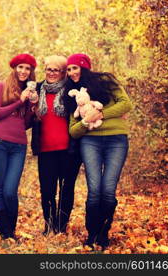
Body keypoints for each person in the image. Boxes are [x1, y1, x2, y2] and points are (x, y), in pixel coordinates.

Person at [65, 53, 133, 249]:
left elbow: (126, 104)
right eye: (68, 70)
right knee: (94, 191)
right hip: (91, 142)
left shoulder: (105, 81)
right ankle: (92, 233)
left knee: (108, 191)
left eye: (74, 68)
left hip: (116, 140)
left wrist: (101, 113)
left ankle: (103, 233)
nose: (71, 73)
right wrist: (86, 121)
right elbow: (73, 131)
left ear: (84, 68)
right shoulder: (74, 95)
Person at [0, 53, 38, 240]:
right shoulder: (1, 86)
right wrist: (20, 101)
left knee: (10, 191)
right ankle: (5, 234)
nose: (23, 71)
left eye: (27, 68)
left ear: (31, 72)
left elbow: (23, 124)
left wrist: (33, 107)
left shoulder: (30, 92)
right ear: (15, 68)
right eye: (20, 67)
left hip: (19, 146)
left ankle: (11, 231)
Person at [31, 55, 82, 235]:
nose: (52, 73)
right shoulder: (36, 89)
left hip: (69, 150)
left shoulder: (71, 90)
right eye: (49, 69)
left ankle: (61, 228)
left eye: (57, 70)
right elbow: (27, 115)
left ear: (63, 73)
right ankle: (49, 226)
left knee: (66, 189)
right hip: (45, 150)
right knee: (47, 191)